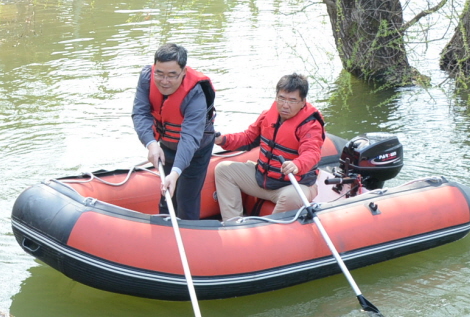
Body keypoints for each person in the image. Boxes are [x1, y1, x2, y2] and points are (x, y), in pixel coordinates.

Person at [213, 73, 326, 222]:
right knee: (224, 170)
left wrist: (296, 164)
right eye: (282, 98)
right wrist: (221, 140)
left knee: (293, 196)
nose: (285, 105)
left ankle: (268, 231)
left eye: (292, 100)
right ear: (276, 97)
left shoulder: (310, 125)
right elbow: (247, 138)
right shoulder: (267, 116)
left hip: (292, 184)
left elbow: (312, 152)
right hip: (263, 179)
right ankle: (233, 223)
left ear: (303, 102)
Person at [132, 43, 217, 222]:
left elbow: (190, 138)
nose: (164, 81)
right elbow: (140, 112)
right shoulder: (146, 77)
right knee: (166, 197)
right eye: (160, 73)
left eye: (172, 75)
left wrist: (176, 173)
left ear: (183, 72)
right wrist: (151, 143)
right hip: (166, 146)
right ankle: (164, 236)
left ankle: (190, 236)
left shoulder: (195, 93)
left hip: (196, 150)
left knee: (186, 199)